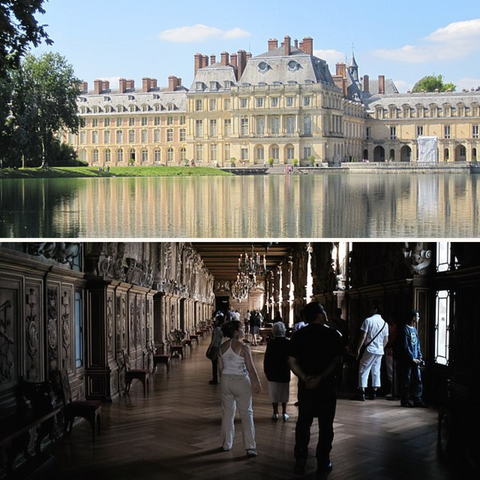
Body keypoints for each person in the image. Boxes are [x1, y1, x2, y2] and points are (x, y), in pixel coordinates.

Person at [288, 302, 343, 476]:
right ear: (320, 315)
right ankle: (323, 460)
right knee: (326, 425)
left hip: (306, 387)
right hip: (326, 386)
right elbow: (336, 361)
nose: (326, 314)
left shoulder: (298, 335)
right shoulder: (333, 335)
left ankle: (301, 460)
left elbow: (291, 361)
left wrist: (305, 378)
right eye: (324, 311)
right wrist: (320, 377)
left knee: (303, 423)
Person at [217, 320, 262, 458]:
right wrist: (257, 382)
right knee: (246, 414)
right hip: (241, 381)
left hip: (225, 381)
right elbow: (250, 368)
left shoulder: (221, 347)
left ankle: (226, 444)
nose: (243, 330)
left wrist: (225, 381)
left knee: (227, 414)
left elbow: (220, 369)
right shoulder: (243, 347)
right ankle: (250, 446)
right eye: (241, 328)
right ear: (236, 331)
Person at [354, 304, 389, 401]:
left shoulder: (368, 320)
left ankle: (362, 392)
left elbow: (363, 336)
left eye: (371, 307)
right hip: (380, 350)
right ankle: (374, 392)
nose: (369, 309)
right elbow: (386, 339)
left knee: (363, 369)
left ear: (375, 309)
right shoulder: (385, 323)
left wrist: (358, 348)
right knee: (376, 370)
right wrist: (381, 347)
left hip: (370, 348)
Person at [396, 310, 426, 408]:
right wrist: (411, 358)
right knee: (406, 381)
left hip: (415, 359)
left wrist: (420, 356)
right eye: (418, 316)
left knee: (418, 380)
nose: (419, 318)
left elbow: (417, 344)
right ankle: (405, 400)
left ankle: (418, 399)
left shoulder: (414, 329)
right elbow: (405, 346)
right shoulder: (405, 329)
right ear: (413, 317)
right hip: (407, 360)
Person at [263, 321, 291, 421]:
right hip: (284, 370)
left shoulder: (271, 343)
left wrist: (266, 370)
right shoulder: (288, 343)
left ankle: (275, 412)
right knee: (284, 391)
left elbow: (267, 358)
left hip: (273, 371)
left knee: (273, 392)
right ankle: (284, 412)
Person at [208, 315, 224, 385]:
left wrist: (209, 348)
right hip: (220, 347)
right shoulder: (222, 329)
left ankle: (215, 379)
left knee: (214, 364)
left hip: (214, 347)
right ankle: (222, 379)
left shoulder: (216, 329)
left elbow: (213, 340)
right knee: (220, 364)